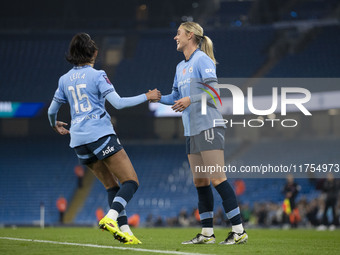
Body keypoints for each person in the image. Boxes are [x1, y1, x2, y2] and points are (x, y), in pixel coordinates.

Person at [47, 33, 161, 244]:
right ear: (94, 53)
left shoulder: (64, 80)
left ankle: (125, 231)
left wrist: (55, 124)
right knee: (132, 181)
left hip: (79, 142)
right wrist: (147, 96)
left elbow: (52, 111)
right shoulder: (98, 75)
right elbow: (117, 103)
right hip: (100, 135)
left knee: (112, 187)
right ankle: (110, 217)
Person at [157, 22, 248, 245]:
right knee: (200, 182)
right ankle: (207, 233)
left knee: (217, 178)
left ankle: (239, 231)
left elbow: (214, 91)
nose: (175, 37)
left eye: (178, 33)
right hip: (192, 129)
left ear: (190, 35)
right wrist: (157, 97)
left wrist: (191, 99)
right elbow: (175, 96)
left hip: (209, 125)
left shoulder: (202, 60)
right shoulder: (180, 67)